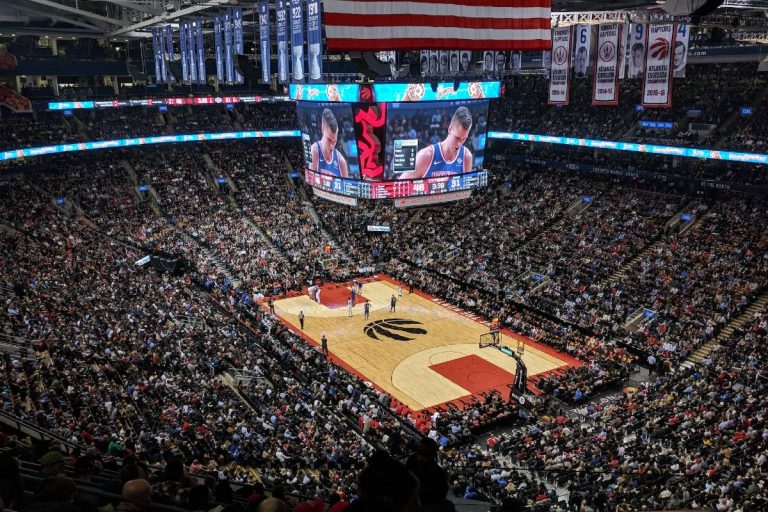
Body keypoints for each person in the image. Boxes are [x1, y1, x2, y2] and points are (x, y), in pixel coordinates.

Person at [398, 106, 473, 179]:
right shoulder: (425, 156)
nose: (459, 143)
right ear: (450, 129)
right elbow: (400, 186)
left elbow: (467, 190)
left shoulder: (466, 157)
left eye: (464, 139)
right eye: (457, 138)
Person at [309, 108, 349, 178]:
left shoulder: (341, 161)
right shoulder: (314, 151)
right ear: (322, 129)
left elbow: (347, 186)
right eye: (329, 140)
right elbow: (312, 181)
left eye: (334, 141)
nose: (331, 145)